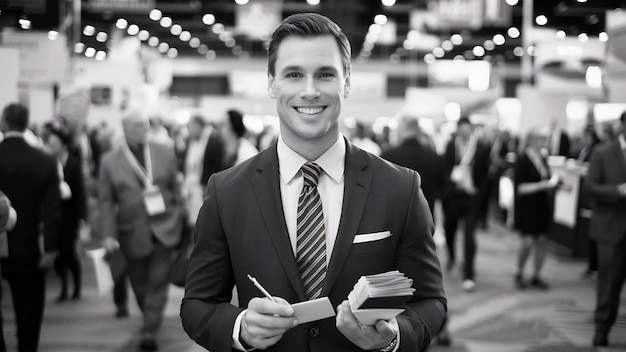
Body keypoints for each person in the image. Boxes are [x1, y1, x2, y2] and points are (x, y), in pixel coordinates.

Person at [181, 12, 446, 352]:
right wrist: (241, 327)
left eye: (325, 74)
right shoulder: (227, 191)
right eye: (293, 74)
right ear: (271, 83)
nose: (309, 91)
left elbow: (430, 301)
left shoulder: (400, 188)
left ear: (346, 82)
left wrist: (394, 336)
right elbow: (197, 303)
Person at [99, 107, 185, 351]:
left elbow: (175, 186)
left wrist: (180, 213)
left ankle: (150, 329)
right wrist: (108, 235)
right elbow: (106, 202)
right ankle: (149, 316)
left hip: (165, 227)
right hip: (131, 232)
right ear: (125, 128)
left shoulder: (164, 151)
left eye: (146, 124)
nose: (144, 129)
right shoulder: (109, 161)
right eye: (138, 125)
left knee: (158, 282)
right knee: (138, 284)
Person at [0, 103, 61, 352]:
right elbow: (52, 211)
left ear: (4, 123)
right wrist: (50, 249)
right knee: (29, 312)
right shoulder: (45, 161)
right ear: (26, 124)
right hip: (30, 249)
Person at [585, 111, 626, 347]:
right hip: (610, 226)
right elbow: (589, 187)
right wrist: (616, 191)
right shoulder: (602, 153)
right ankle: (602, 327)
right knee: (609, 282)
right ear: (622, 125)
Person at [442, 116, 490, 292]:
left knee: (469, 233)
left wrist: (480, 195)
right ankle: (452, 256)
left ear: (471, 128)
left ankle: (469, 273)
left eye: (466, 127)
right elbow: (445, 168)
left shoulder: (482, 147)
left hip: (472, 198)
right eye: (461, 127)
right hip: (454, 196)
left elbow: (485, 174)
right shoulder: (450, 145)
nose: (464, 130)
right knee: (450, 230)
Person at [45, 126, 87, 301]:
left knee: (69, 252)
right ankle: (63, 287)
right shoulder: (49, 163)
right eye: (50, 143)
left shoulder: (74, 163)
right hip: (55, 214)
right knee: (57, 253)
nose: (51, 146)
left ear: (63, 145)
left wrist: (82, 218)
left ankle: (76, 286)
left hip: (70, 215)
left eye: (54, 143)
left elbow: (80, 192)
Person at [513, 130, 557, 290]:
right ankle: (519, 272)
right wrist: (541, 185)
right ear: (531, 140)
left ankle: (536, 275)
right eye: (540, 138)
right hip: (527, 207)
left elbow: (547, 178)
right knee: (528, 241)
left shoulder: (543, 158)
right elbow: (520, 188)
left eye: (544, 138)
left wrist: (552, 185)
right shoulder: (523, 160)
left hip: (542, 205)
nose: (543, 141)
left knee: (542, 241)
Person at [381, 116, 446, 215]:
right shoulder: (434, 158)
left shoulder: (387, 157)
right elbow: (443, 189)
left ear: (401, 130)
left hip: (396, 218)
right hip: (426, 216)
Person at [181, 115, 226, 225]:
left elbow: (217, 166)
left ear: (198, 126)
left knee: (202, 219)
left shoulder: (214, 141)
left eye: (190, 127)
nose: (189, 131)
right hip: (190, 184)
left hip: (204, 186)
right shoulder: (190, 141)